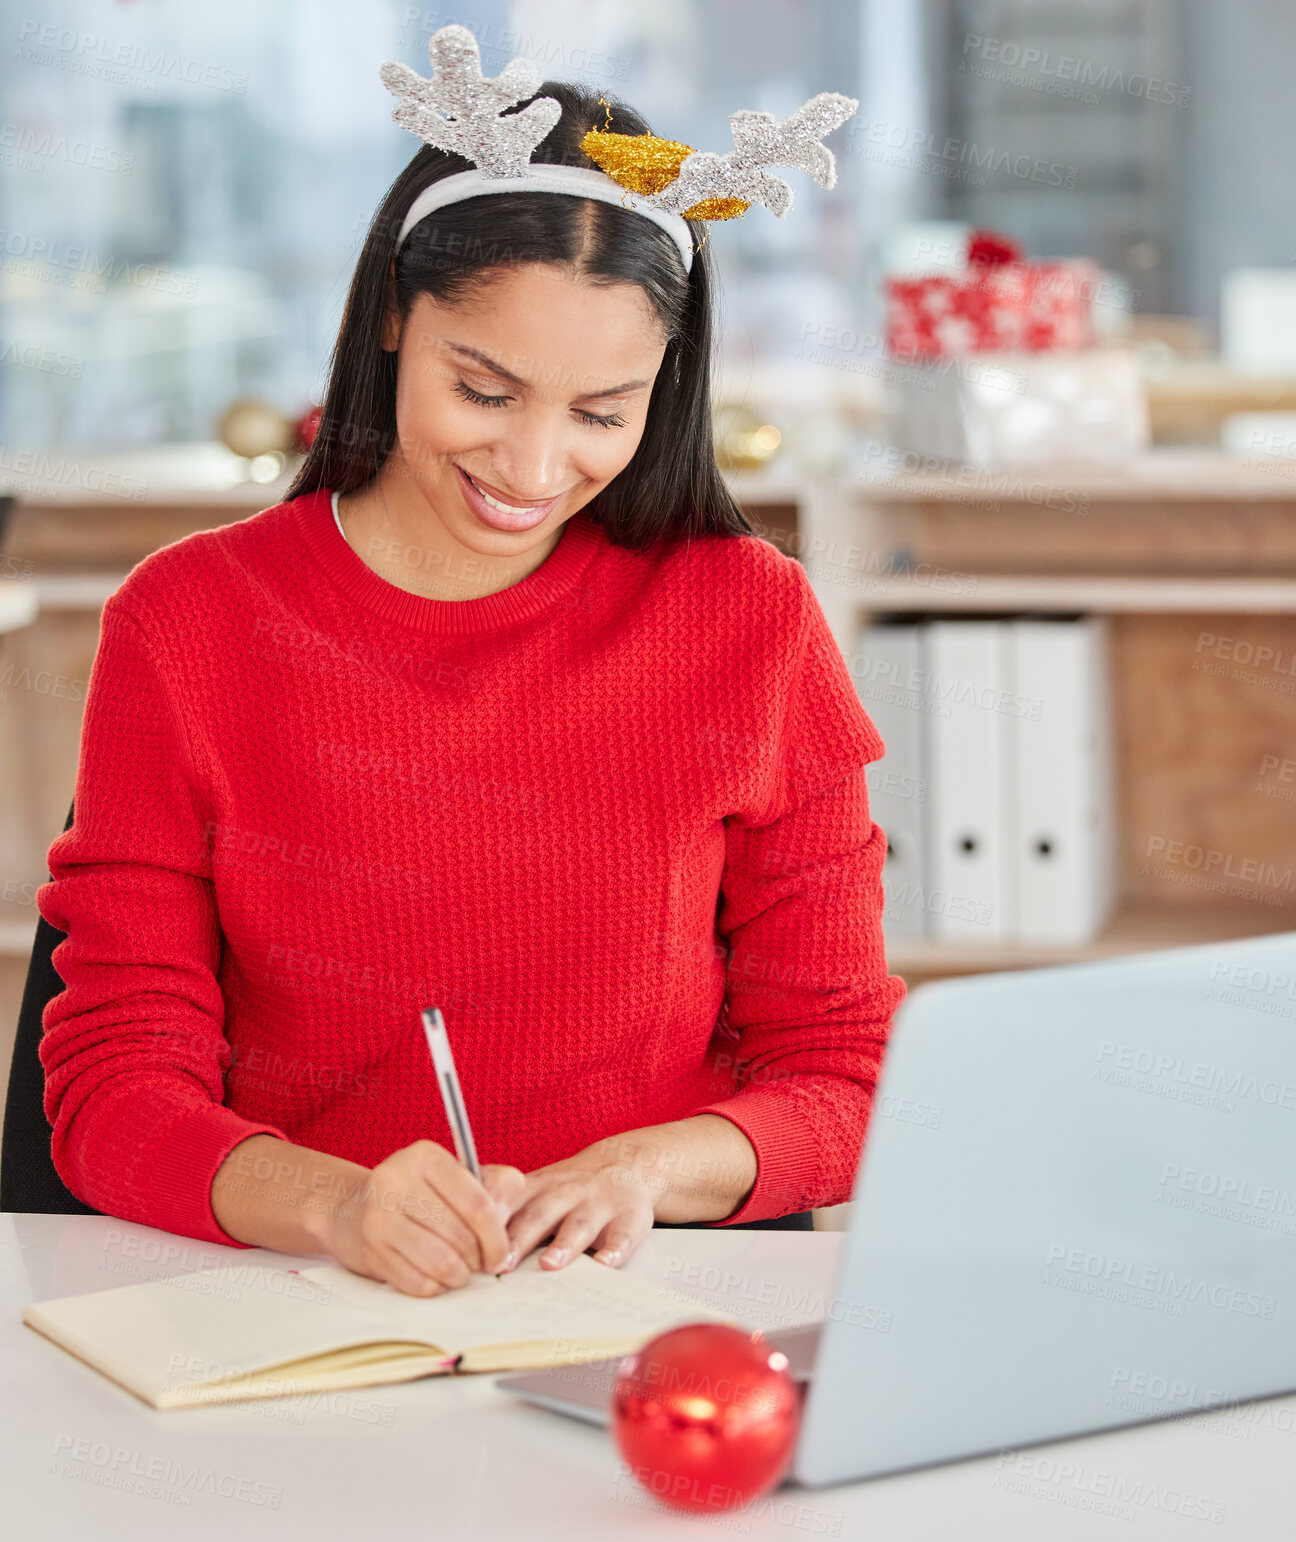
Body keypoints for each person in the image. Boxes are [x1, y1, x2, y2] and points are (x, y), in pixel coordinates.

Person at [36, 33, 904, 1299]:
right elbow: (111, 1089)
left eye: (604, 413)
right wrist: (335, 1206)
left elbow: (846, 1077)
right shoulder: (191, 621)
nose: (535, 467)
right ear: (395, 315)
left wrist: (646, 1173)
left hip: (649, 1301)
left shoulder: (747, 619)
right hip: (305, 1302)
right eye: (486, 391)